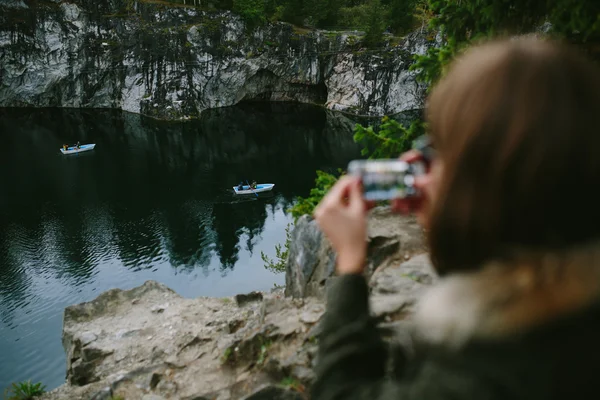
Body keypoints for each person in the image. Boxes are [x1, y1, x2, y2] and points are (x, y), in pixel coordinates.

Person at [312, 37, 600, 400]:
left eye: (442, 150)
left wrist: (351, 265)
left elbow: (341, 393)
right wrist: (447, 221)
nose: (426, 171)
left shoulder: (479, 374)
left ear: (483, 187)